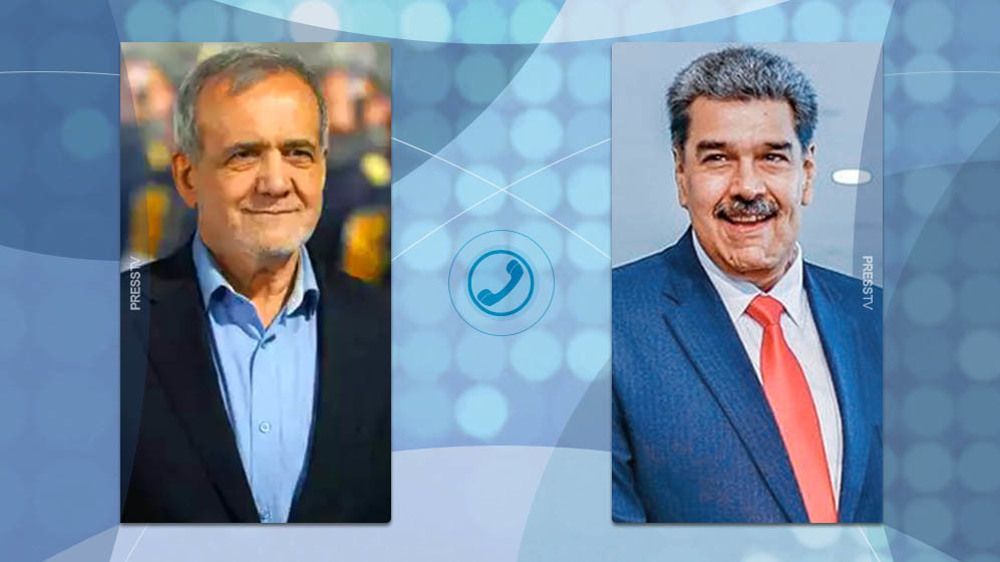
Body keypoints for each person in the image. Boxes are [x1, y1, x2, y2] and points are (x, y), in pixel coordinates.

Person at [612, 47, 882, 524]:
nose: (748, 187)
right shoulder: (607, 321)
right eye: (718, 158)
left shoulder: (879, 317)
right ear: (681, 174)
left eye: (772, 157)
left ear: (808, 173)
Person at [121, 47, 390, 523]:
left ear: (323, 169)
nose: (275, 182)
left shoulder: (392, 332)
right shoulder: (109, 326)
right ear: (187, 176)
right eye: (243, 155)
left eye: (298, 153)